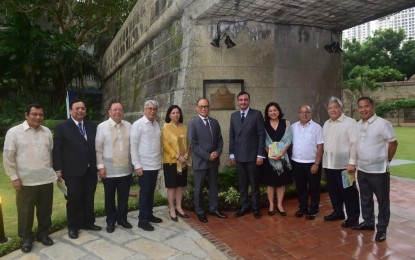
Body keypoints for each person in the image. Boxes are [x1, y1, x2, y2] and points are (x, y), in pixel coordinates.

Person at [3, 103, 57, 253]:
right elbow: (8, 157)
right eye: (34, 114)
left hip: (45, 179)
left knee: (45, 209)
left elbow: (51, 153)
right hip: (25, 181)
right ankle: (26, 238)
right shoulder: (14, 132)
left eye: (40, 114)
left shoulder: (46, 131)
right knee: (25, 211)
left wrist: (53, 171)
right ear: (26, 115)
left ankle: (43, 233)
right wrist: (14, 177)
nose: (38, 117)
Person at [53, 99, 101, 239]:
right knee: (73, 199)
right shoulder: (62, 127)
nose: (80, 111)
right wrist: (58, 169)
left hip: (90, 170)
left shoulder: (91, 126)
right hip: (72, 171)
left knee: (89, 197)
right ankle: (73, 226)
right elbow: (57, 150)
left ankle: (88, 222)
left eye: (83, 108)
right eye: (77, 108)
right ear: (70, 110)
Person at [352, 97, 398, 243]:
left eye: (366, 106)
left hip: (379, 170)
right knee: (365, 198)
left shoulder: (383, 124)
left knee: (382, 200)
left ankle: (382, 229)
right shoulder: (358, 124)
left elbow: (393, 143)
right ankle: (368, 222)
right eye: (360, 107)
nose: (363, 109)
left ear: (373, 107)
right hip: (363, 169)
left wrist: (387, 160)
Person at [322, 97, 360, 227]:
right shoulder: (326, 124)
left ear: (340, 108)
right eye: (330, 108)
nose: (332, 110)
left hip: (345, 166)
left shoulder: (350, 122)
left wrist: (352, 163)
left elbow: (354, 143)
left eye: (335, 107)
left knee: (349, 192)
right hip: (329, 164)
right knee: (333, 191)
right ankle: (338, 212)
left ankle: (353, 218)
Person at [187, 98, 227, 223]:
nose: (204, 108)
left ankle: (213, 208)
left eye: (206, 106)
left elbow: (220, 140)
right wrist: (207, 155)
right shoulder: (193, 123)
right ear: (196, 107)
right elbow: (193, 144)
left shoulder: (215, 122)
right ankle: (199, 211)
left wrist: (217, 152)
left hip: (214, 161)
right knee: (198, 188)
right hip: (201, 162)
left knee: (213, 186)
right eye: (201, 106)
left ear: (209, 108)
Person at [96, 102, 133, 233]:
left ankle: (122, 219)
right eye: (115, 110)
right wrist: (100, 167)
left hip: (126, 169)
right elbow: (98, 149)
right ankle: (111, 221)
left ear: (123, 112)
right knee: (109, 197)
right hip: (109, 170)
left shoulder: (128, 125)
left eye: (120, 110)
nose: (118, 112)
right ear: (109, 112)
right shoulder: (102, 127)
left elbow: (132, 147)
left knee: (123, 197)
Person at [229, 91, 265, 219]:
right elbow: (232, 136)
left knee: (254, 184)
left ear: (249, 101)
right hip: (239, 157)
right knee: (242, 184)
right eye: (240, 100)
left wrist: (260, 155)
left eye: (245, 100)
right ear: (238, 102)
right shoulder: (233, 116)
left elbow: (261, 135)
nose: (243, 102)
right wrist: (231, 154)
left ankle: (256, 208)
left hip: (253, 156)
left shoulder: (256, 114)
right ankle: (244, 206)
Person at [130, 100, 163, 231]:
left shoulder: (156, 124)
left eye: (154, 109)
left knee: (151, 192)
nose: (152, 111)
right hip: (143, 166)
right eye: (149, 109)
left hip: (154, 165)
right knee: (144, 193)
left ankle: (149, 214)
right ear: (144, 110)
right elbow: (133, 147)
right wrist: (137, 165)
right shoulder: (138, 125)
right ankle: (142, 220)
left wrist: (159, 163)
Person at [259, 102, 293, 217]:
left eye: (275, 110)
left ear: (279, 111)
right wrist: (271, 153)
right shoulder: (263, 124)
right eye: (270, 111)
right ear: (267, 113)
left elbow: (288, 140)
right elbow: (262, 140)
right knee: (270, 183)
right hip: (269, 159)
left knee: (281, 183)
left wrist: (281, 154)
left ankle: (279, 205)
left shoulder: (286, 123)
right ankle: (271, 205)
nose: (273, 113)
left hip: (282, 158)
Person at [291, 104, 324, 220]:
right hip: (296, 162)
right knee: (301, 187)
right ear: (298, 114)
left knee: (314, 187)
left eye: (307, 112)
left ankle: (314, 209)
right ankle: (303, 207)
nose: (304, 114)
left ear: (311, 114)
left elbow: (320, 147)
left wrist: (316, 164)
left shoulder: (317, 128)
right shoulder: (293, 127)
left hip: (311, 163)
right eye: (302, 112)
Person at [162, 105, 191, 221]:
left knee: (180, 186)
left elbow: (189, 143)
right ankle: (172, 208)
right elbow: (165, 145)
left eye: (177, 112)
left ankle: (179, 207)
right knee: (172, 186)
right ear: (169, 115)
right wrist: (178, 156)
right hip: (171, 162)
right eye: (173, 113)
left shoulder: (184, 127)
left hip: (183, 161)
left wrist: (186, 155)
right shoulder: (166, 127)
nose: (176, 115)